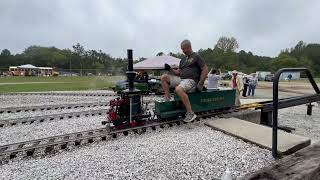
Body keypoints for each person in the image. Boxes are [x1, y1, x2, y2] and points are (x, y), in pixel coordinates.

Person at [161, 39, 208, 122]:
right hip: (182, 79)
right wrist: (170, 69)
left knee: (178, 89)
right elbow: (178, 72)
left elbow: (205, 69)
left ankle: (190, 113)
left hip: (192, 80)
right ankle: (167, 100)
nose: (183, 51)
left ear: (189, 47)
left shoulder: (196, 56)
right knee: (164, 77)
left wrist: (201, 83)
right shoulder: (182, 60)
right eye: (182, 49)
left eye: (184, 49)